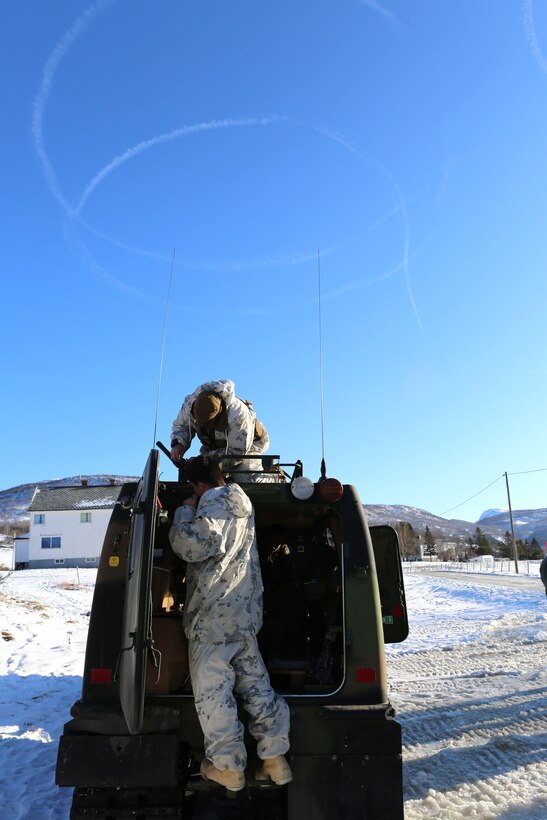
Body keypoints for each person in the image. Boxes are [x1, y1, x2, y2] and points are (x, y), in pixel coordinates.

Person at [168, 455, 291, 792]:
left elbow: (188, 545)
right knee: (256, 687)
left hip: (212, 622)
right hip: (244, 618)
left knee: (213, 696)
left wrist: (183, 511)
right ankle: (275, 758)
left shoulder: (213, 507)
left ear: (199, 485)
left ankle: (227, 768)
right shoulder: (243, 502)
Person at [170, 379, 270, 482]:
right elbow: (182, 426)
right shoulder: (190, 404)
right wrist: (179, 445)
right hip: (213, 448)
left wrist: (203, 461)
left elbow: (237, 453)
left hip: (247, 449)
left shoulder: (239, 415)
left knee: (245, 479)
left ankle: (274, 479)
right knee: (199, 479)